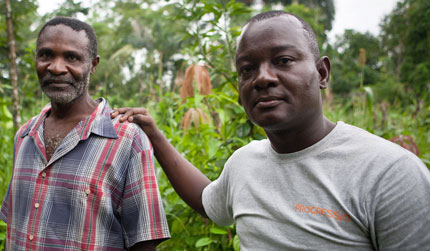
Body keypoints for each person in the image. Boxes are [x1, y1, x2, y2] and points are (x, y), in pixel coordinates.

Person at [111, 11, 430, 250]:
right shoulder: (245, 163)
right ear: (239, 91)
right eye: (247, 69)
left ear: (321, 72)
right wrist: (153, 133)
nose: (262, 78)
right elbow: (205, 198)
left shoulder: (391, 173)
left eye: (284, 60)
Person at [0, 17, 170, 250]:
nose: (56, 68)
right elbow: (15, 227)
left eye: (72, 57)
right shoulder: (24, 136)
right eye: (46, 55)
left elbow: (144, 242)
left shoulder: (126, 139)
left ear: (93, 64)